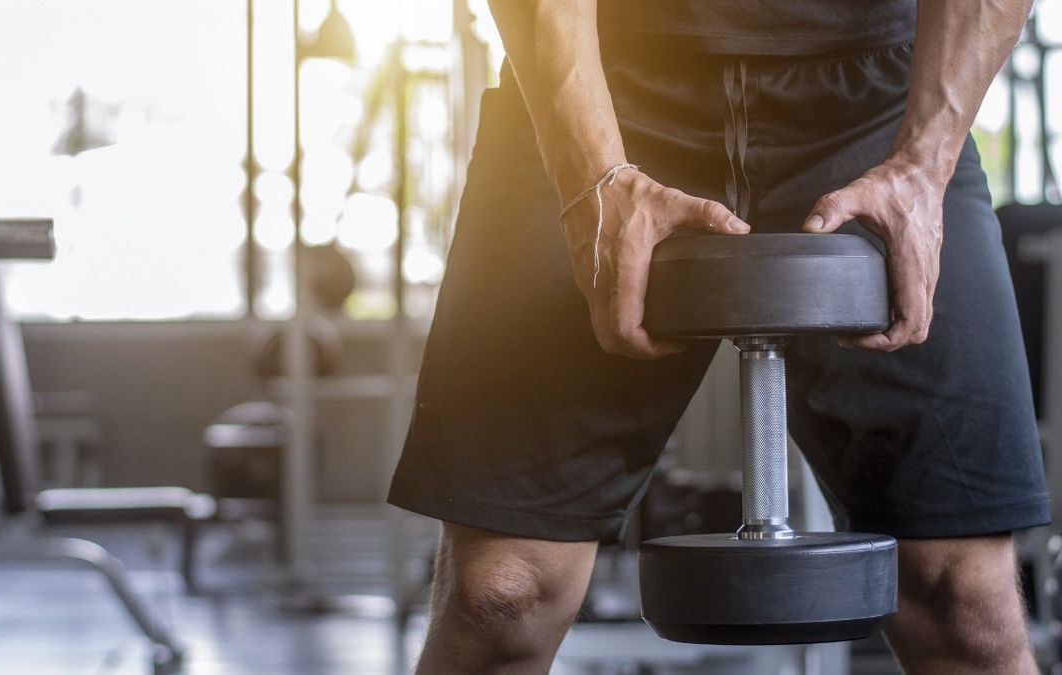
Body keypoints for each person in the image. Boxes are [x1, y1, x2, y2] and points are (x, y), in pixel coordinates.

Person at [388, 0, 1051, 672]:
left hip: (877, 100)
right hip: (602, 77)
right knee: (501, 594)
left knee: (966, 605)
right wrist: (592, 173)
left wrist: (923, 162)